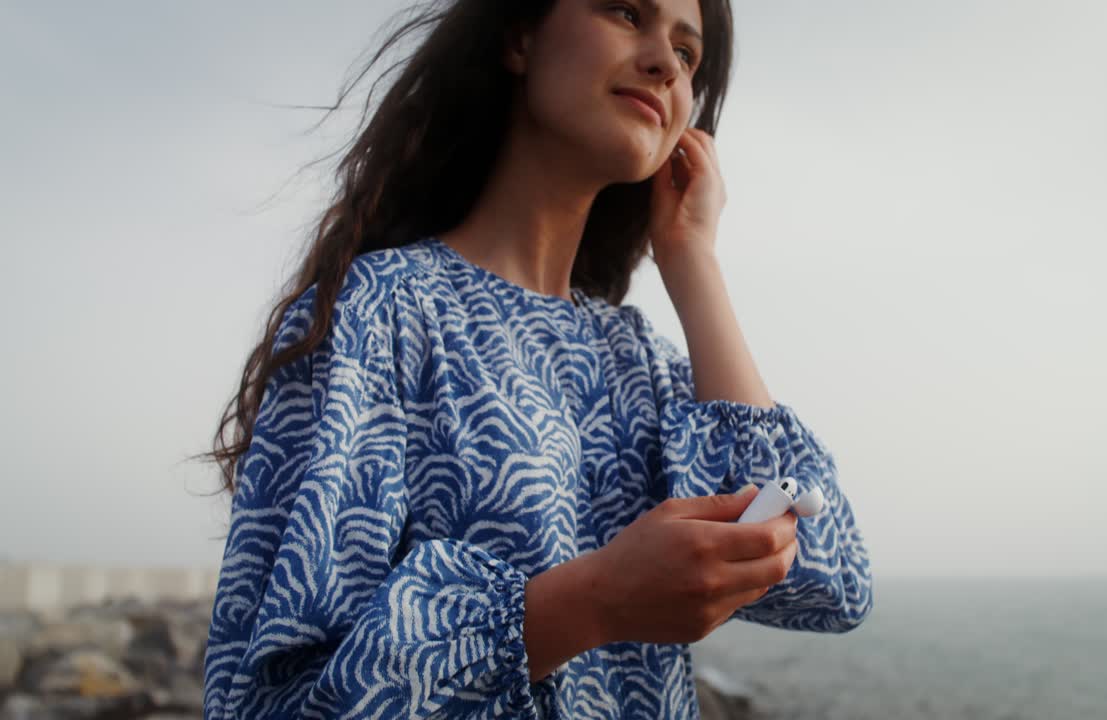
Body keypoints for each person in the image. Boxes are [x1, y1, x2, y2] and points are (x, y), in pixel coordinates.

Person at [197, 0, 873, 717]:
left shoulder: (639, 359)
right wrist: (593, 603)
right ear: (520, 37)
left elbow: (830, 579)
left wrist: (692, 262)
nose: (665, 65)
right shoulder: (378, 311)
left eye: (687, 54)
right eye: (626, 11)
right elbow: (270, 701)